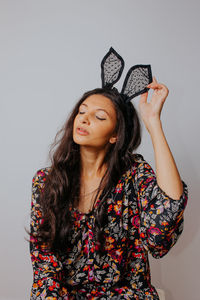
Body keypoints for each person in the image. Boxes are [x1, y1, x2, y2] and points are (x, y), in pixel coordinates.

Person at [29, 49, 188, 299]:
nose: (84, 119)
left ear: (115, 135)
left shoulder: (134, 175)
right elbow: (44, 264)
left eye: (99, 116)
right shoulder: (46, 181)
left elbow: (162, 228)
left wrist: (153, 122)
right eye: (81, 111)